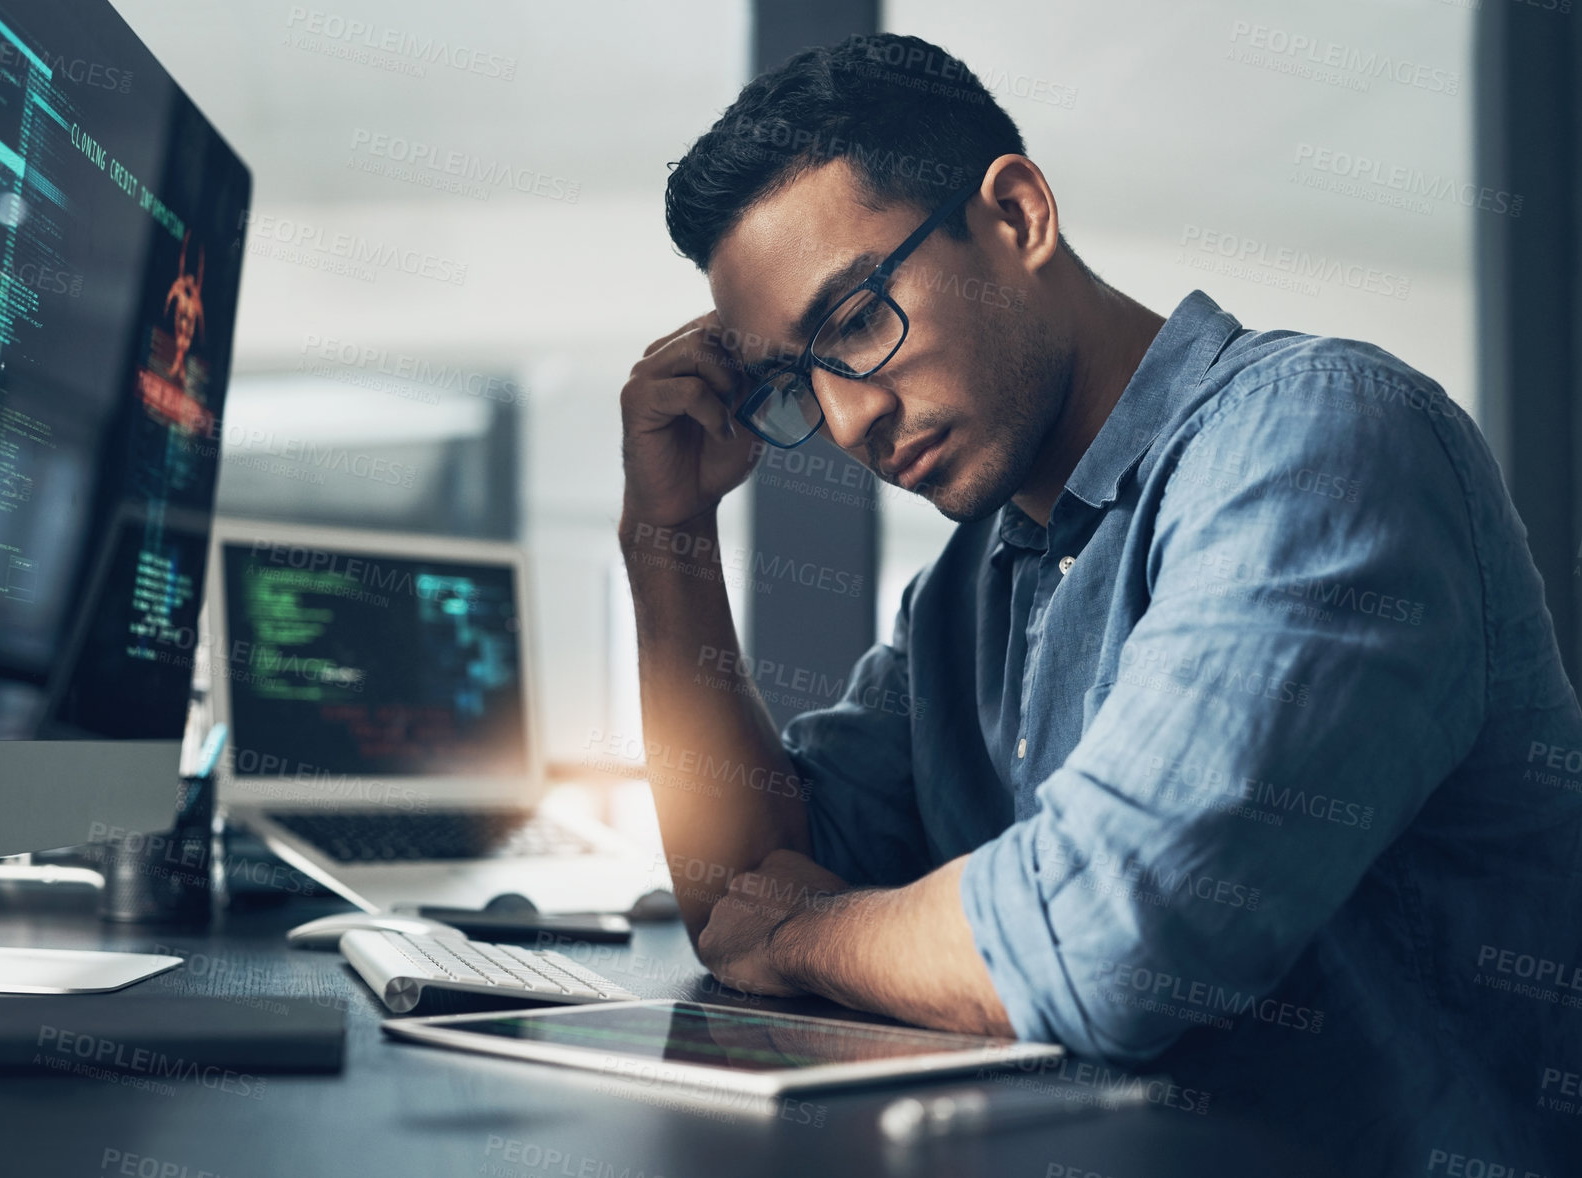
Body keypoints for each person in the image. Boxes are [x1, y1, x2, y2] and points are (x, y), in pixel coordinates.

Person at [617, 32, 1581, 1178]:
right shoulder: (971, 585)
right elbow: (739, 887)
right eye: (793, 380)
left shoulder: (1318, 440)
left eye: (857, 321)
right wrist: (666, 537)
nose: (843, 422)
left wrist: (807, 932)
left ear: (1017, 215)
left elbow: (1109, 939)